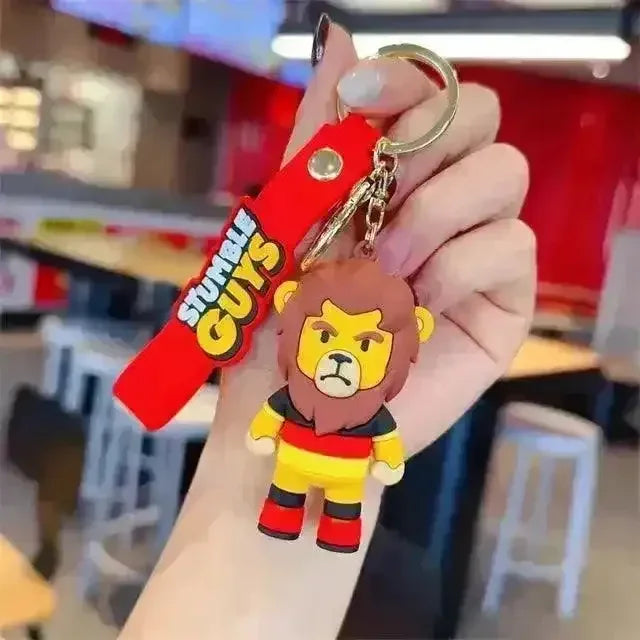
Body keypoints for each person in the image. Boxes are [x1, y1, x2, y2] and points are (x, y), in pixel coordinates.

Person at [120, 16, 534, 640]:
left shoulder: (372, 404)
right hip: (291, 464)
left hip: (340, 474)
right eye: (327, 336)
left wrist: (379, 459)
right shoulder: (297, 380)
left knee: (336, 510)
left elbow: (380, 437)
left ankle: (325, 523)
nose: (340, 357)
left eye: (364, 344)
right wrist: (247, 453)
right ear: (291, 307)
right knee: (285, 499)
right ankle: (282, 514)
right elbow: (274, 417)